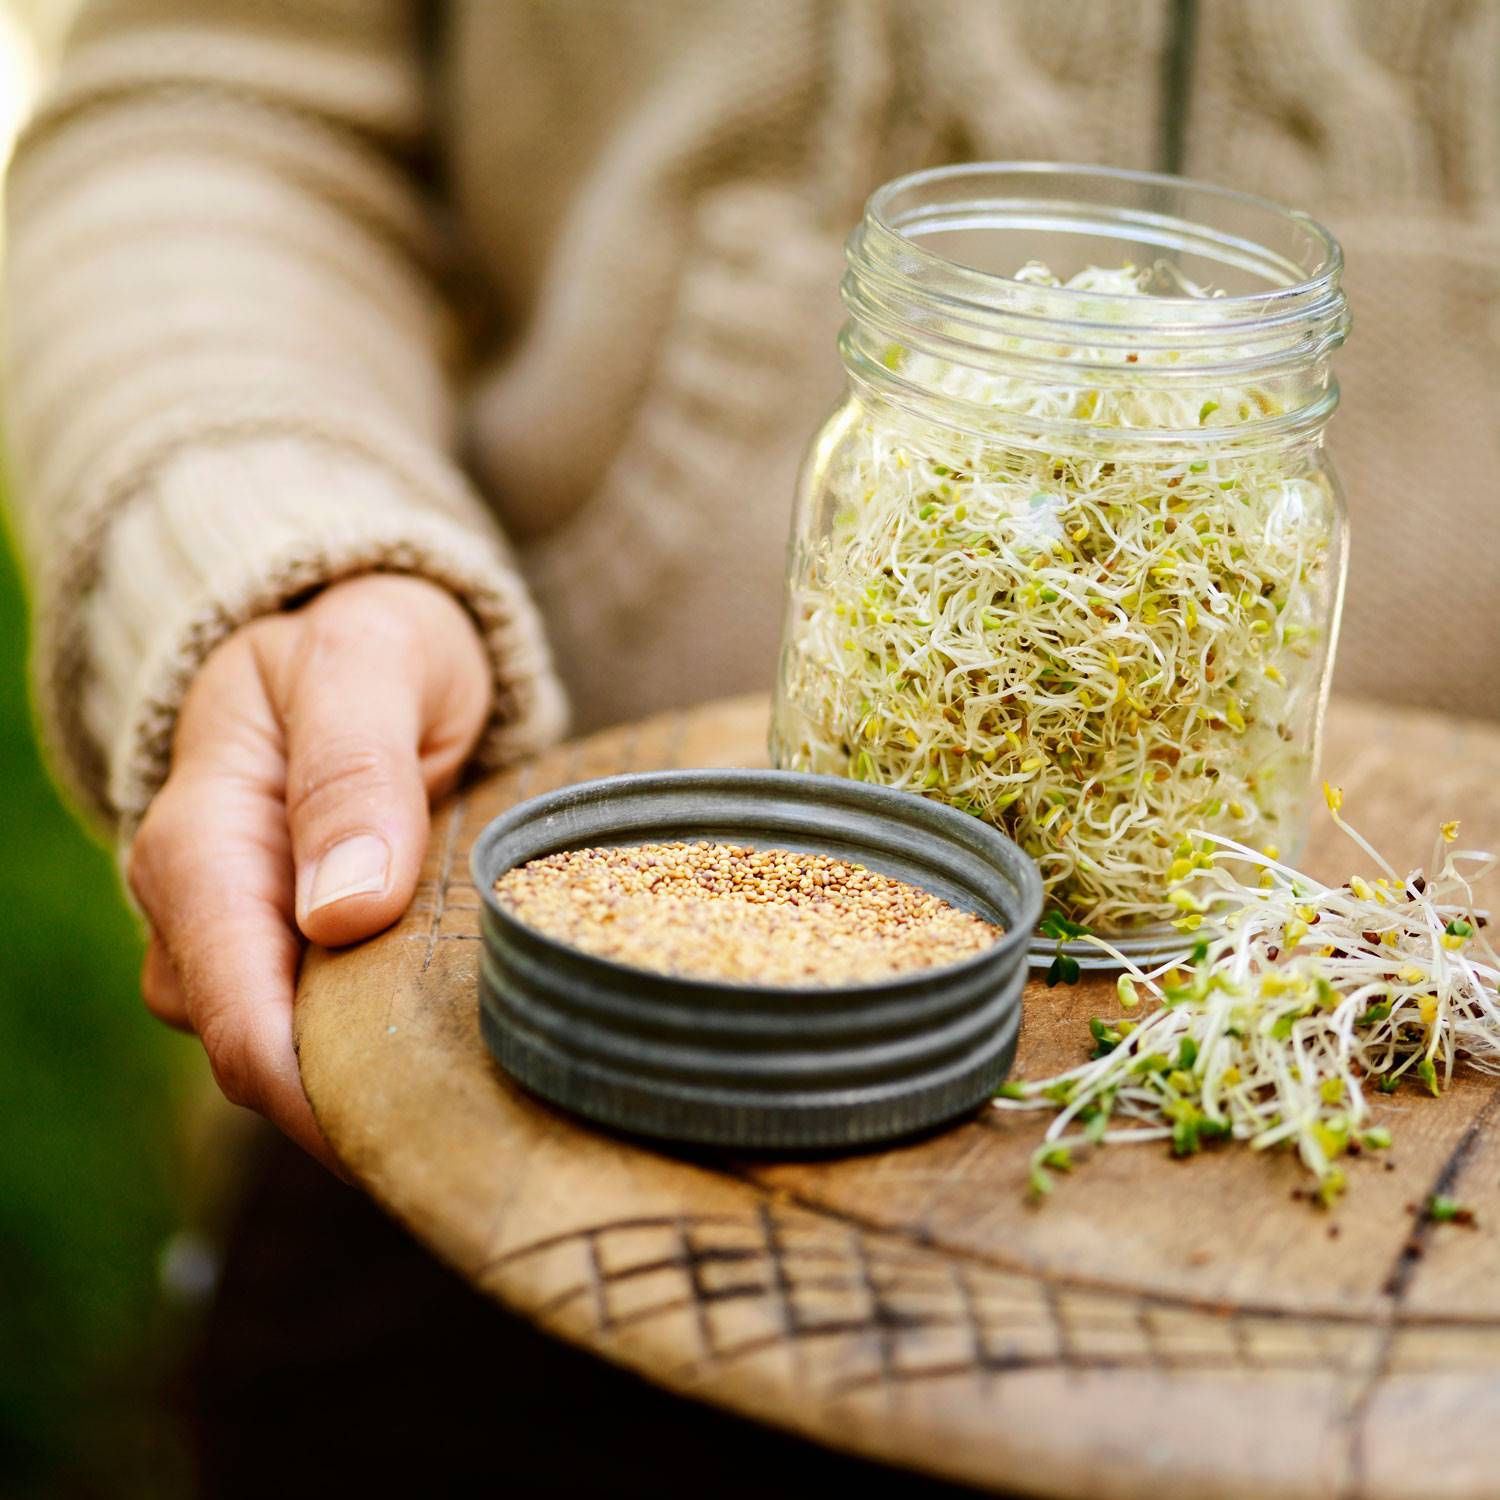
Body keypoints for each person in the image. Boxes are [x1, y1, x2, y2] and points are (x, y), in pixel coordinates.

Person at [6, 1, 1497, 1491]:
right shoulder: (890, 444)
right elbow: (213, 101)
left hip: (1384, 1169)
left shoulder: (1279, 494)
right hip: (542, 1054)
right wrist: (277, 534)